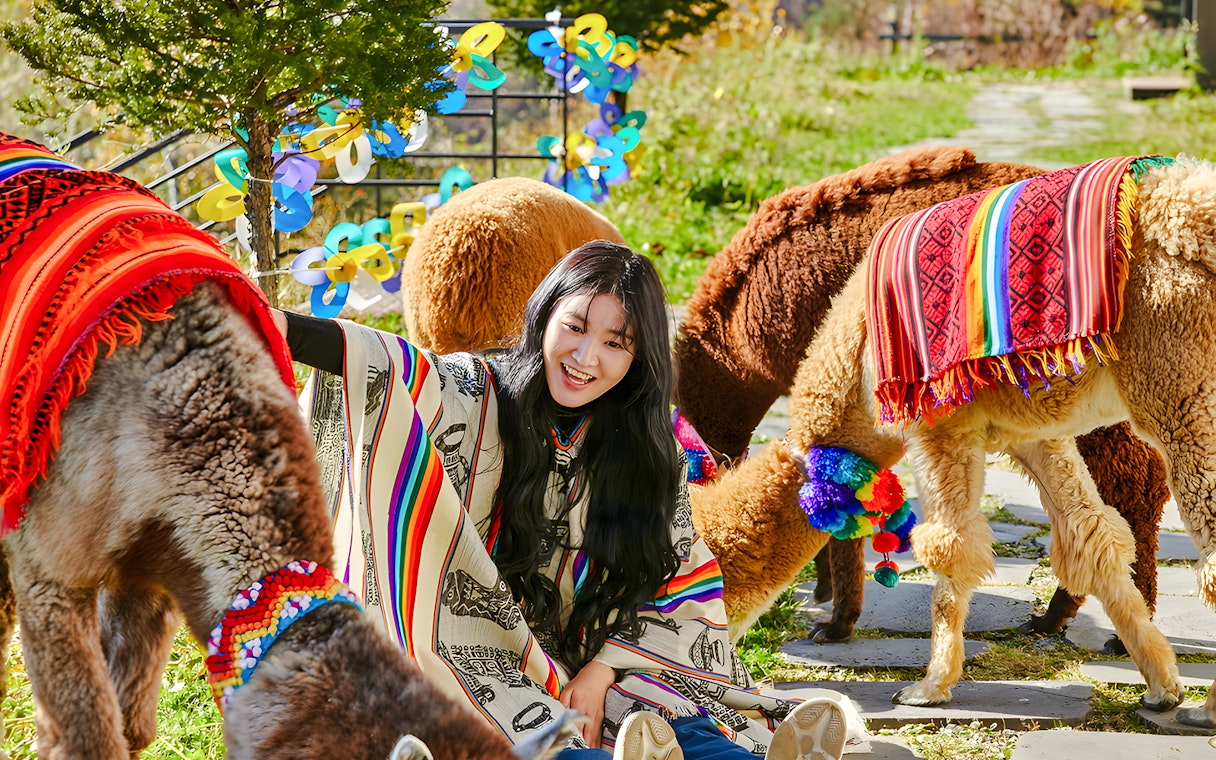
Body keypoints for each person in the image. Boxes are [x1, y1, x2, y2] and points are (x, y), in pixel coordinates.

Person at [277, 241, 855, 760]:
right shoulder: (480, 390)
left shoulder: (649, 450)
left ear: (637, 358)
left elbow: (677, 577)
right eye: (574, 326)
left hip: (599, 647)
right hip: (488, 643)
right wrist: (273, 323)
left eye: (613, 343)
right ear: (545, 314)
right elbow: (393, 367)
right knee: (516, 722)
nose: (585, 356)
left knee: (669, 708)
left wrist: (604, 669)